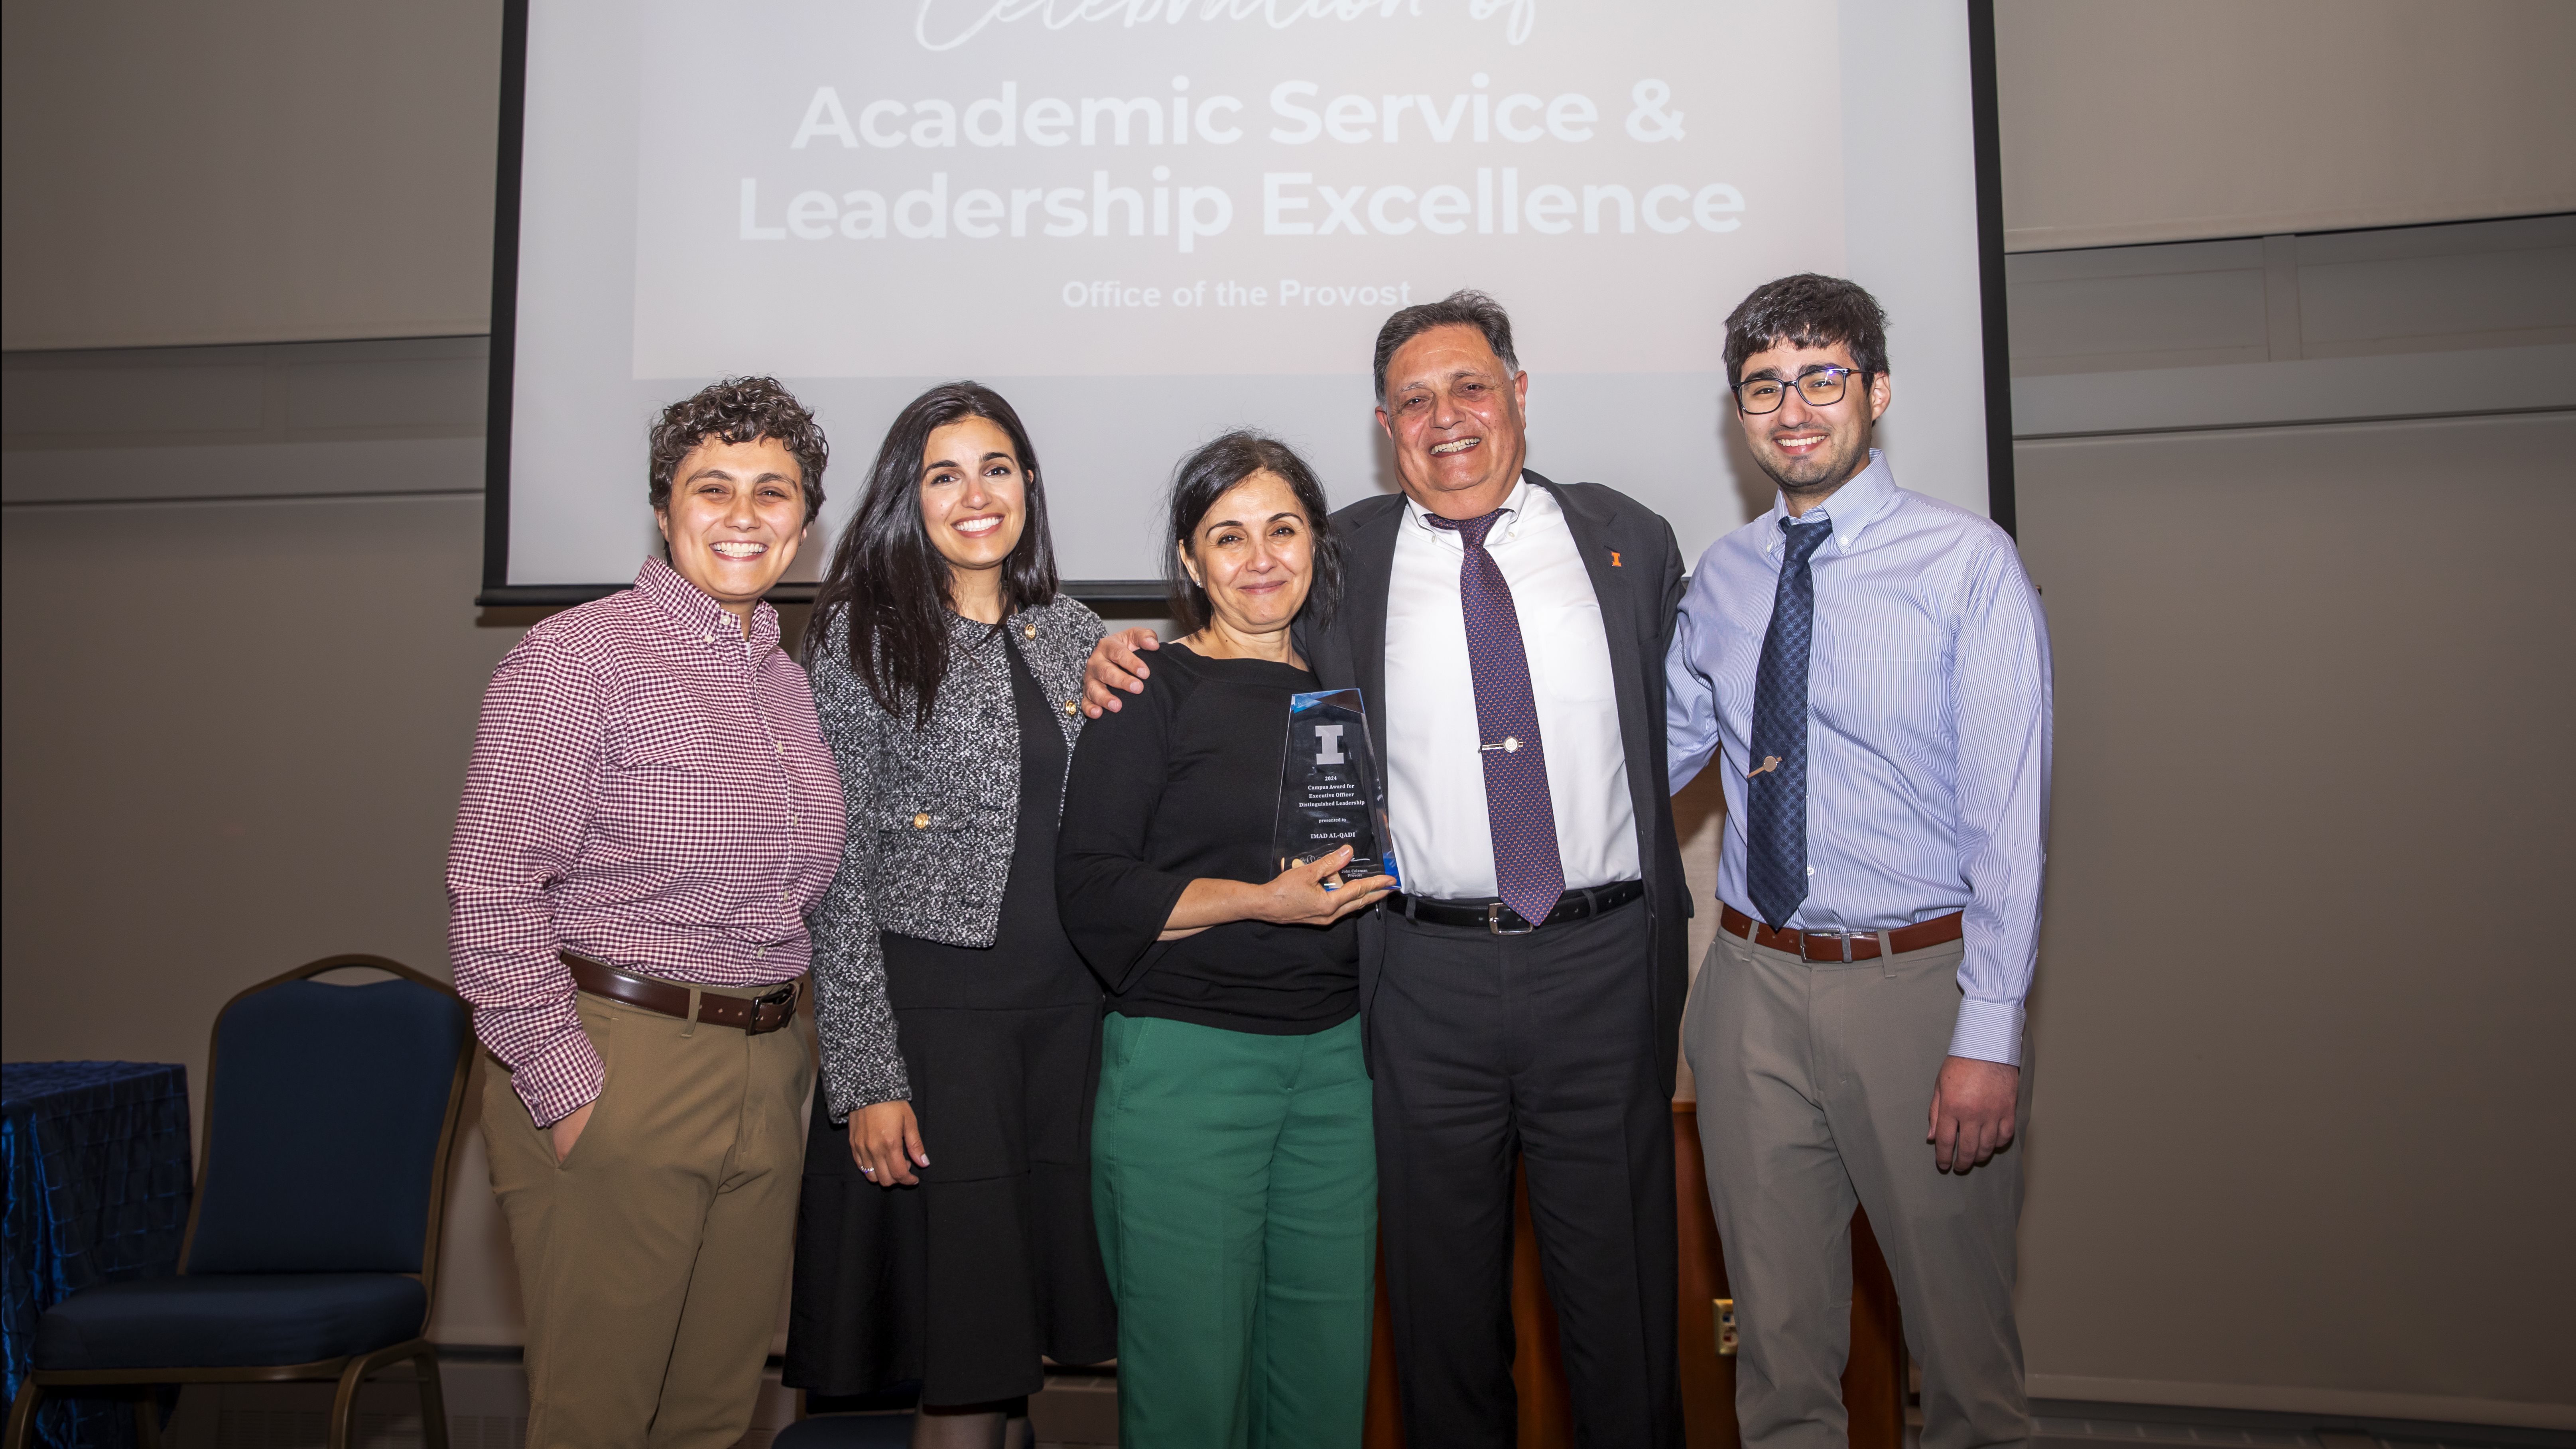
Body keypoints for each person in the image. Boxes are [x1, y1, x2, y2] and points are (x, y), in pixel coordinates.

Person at [1087, 292, 1691, 1446]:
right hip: (1418, 981)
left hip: (1602, 968)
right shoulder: (1336, 560)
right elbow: (1227, 626)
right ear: (1382, 425)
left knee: (1621, 1316)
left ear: (1519, 394)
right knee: (1440, 1320)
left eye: (1469, 387)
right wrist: (1105, 645)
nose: (1444, 418)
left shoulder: (1628, 538)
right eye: (1412, 400)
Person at [1666, 274, 2051, 1449]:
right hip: (1748, 992)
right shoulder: (1723, 580)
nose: (1792, 407)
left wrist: (1985, 1037)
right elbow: (1639, 762)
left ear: (1874, 392)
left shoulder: (1965, 563)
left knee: (1965, 1368)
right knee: (1776, 1361)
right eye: (1762, 385)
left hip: (1915, 991)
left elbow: (2010, 820)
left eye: (1820, 377)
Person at [449, 376, 841, 1448]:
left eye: (775, 491)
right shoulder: (578, 659)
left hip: (764, 1066)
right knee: (598, 1420)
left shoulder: (787, 686)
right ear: (664, 509)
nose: (745, 514)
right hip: (621, 1056)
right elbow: (492, 889)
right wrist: (569, 1088)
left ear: (806, 522)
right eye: (712, 488)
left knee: (713, 1415)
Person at [786, 383, 1118, 1449]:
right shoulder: (858, 637)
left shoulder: (1079, 633)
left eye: (996, 466)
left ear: (1029, 484)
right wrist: (866, 1080)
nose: (975, 493)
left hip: (1074, 1031)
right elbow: (834, 874)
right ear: (906, 497)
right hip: (939, 1038)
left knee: (1032, 1351)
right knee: (964, 1367)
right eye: (944, 473)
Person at [1055, 433, 1392, 1449]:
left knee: (1326, 1383)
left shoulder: (1350, 690)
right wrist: (1260, 901)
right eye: (1227, 535)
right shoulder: (1146, 686)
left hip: (1340, 1074)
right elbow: (1093, 888)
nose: (1259, 557)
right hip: (1186, 1072)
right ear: (1192, 561)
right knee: (1193, 1394)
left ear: (1315, 546)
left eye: (1281, 529)